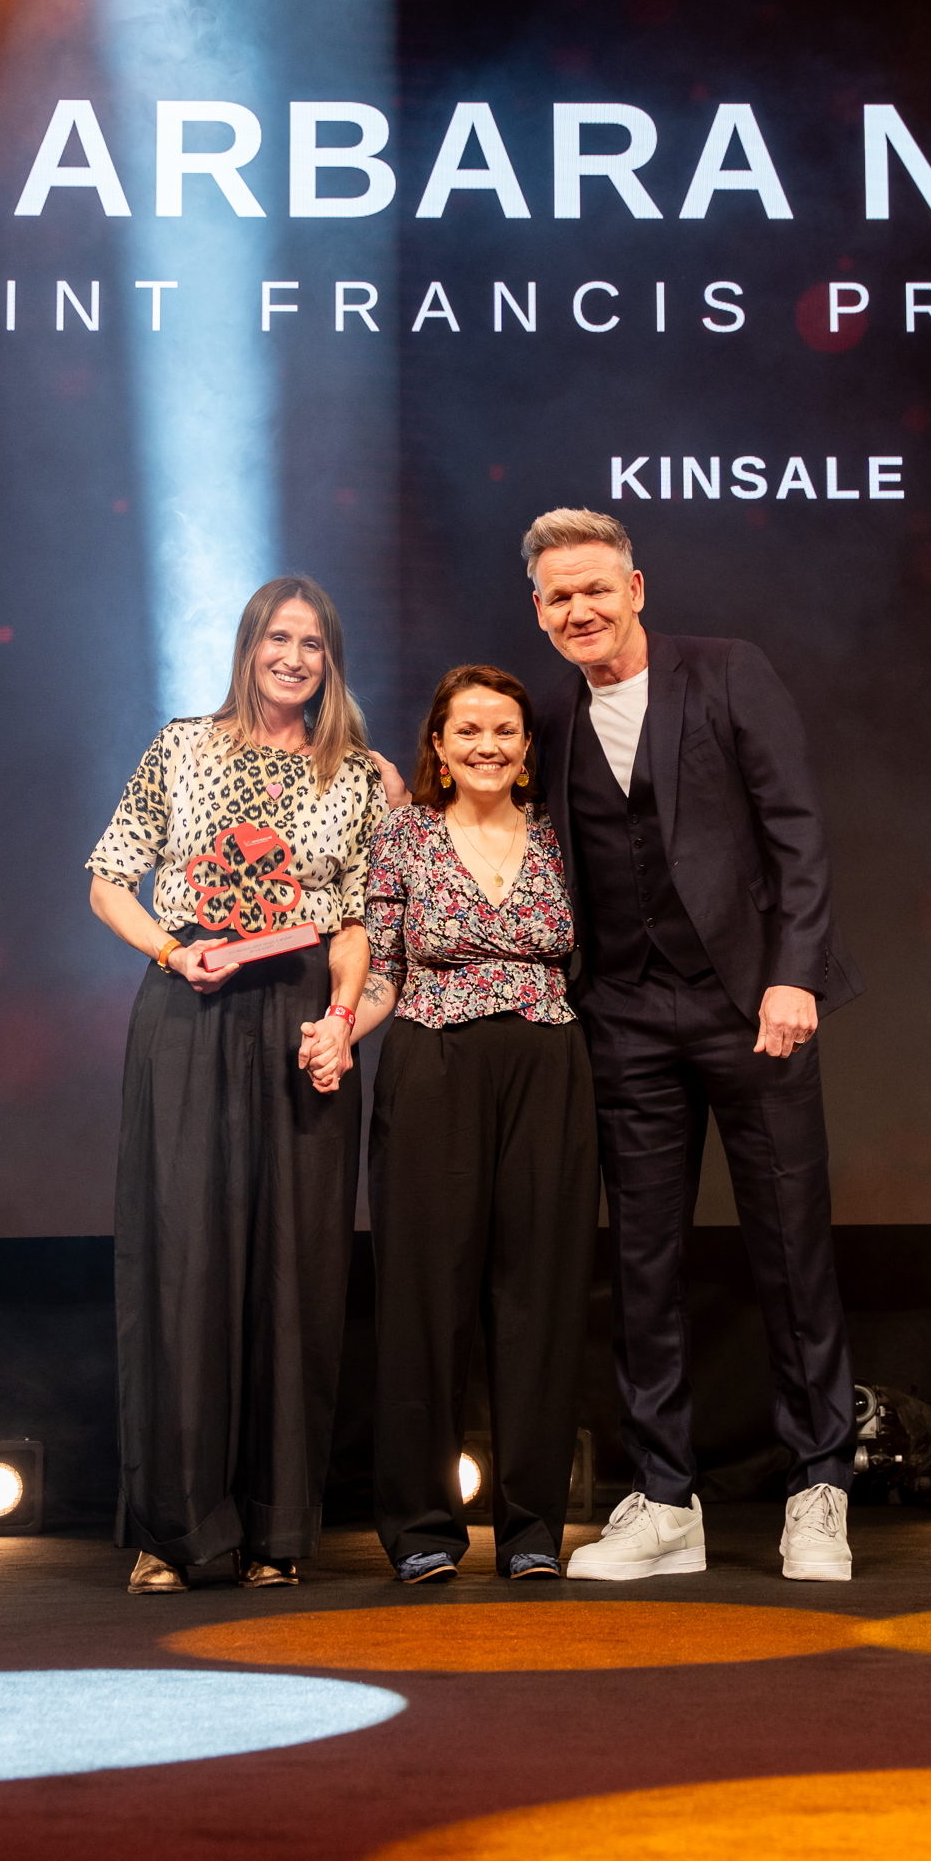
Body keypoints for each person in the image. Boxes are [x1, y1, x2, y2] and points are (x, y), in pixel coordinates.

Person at [524, 506, 860, 1582]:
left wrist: (794, 971)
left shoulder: (725, 673)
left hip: (749, 1010)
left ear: (634, 588)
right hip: (623, 1017)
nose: (578, 608)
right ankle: (665, 1501)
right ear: (540, 615)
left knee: (789, 1254)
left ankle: (817, 1491)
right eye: (556, 596)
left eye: (592, 587)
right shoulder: (551, 717)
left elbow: (795, 830)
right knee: (641, 1265)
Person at [87, 575, 403, 1593]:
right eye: (279, 637)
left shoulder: (354, 776)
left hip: (300, 1012)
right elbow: (108, 877)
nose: (293, 657)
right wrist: (173, 953)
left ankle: (277, 1535)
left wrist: (339, 1023)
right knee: (184, 1260)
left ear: (330, 661)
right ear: (248, 645)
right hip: (192, 1002)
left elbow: (356, 918)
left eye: (313, 643)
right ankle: (172, 1532)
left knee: (296, 1268)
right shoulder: (180, 746)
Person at [347, 663, 598, 1585]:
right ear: (440, 749)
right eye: (469, 732)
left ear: (528, 751)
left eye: (505, 731)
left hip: (548, 1065)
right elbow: (383, 967)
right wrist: (341, 1031)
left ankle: (531, 1527)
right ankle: (420, 1529)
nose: (488, 746)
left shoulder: (559, 840)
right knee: (425, 1297)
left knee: (539, 1294)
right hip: (433, 1060)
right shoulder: (403, 836)